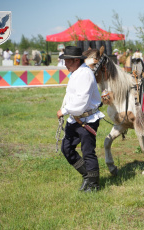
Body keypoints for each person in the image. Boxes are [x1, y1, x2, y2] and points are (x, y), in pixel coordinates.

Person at [57, 46, 104, 192]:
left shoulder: (85, 74)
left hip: (86, 119)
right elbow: (71, 96)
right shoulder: (77, 72)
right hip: (75, 118)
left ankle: (94, 185)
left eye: (67, 61)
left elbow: (81, 102)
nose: (65, 64)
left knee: (88, 152)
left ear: (76, 60)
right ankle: (87, 176)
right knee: (66, 148)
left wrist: (64, 110)